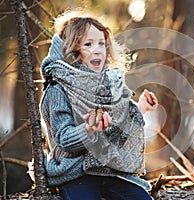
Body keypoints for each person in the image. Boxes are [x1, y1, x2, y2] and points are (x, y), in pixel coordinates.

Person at [38, 10, 158, 200]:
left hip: (110, 169)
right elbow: (63, 139)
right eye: (88, 44)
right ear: (71, 50)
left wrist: (140, 109)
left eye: (101, 43)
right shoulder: (57, 88)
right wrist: (89, 129)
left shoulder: (110, 83)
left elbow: (120, 130)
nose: (98, 50)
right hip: (76, 172)